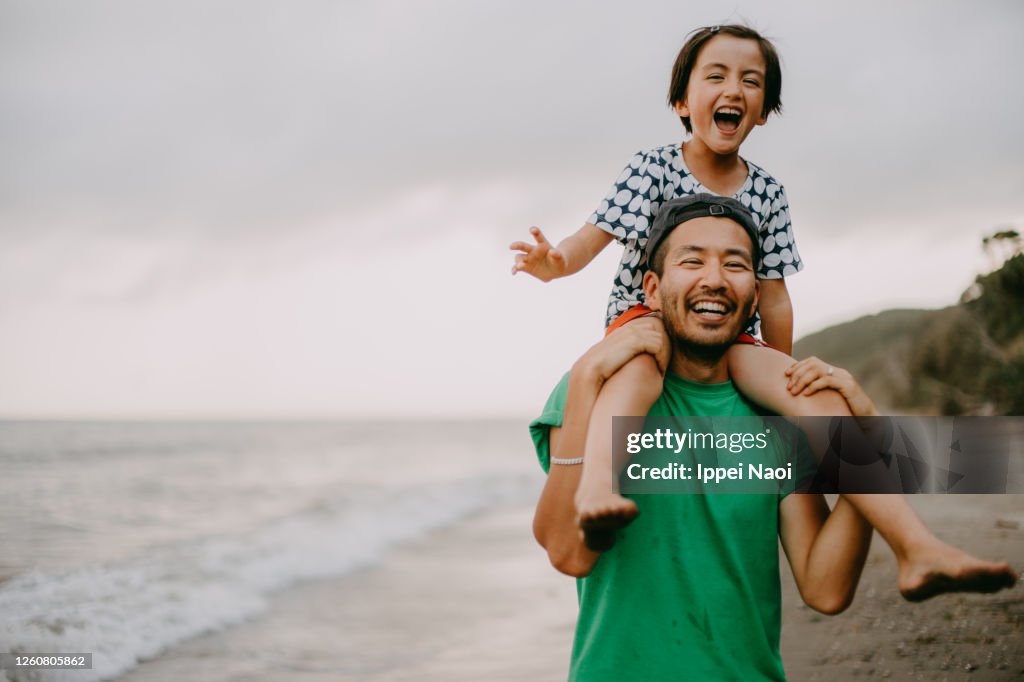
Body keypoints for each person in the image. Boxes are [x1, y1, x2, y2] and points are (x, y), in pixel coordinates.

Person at [512, 24, 1015, 602]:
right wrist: (556, 263)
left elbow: (772, 296)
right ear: (682, 101)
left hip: (736, 336)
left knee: (818, 397)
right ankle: (597, 484)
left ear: (763, 112)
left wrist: (785, 375)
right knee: (635, 372)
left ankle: (916, 546)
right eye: (716, 76)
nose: (734, 88)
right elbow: (591, 236)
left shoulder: (768, 192)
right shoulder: (650, 166)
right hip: (643, 322)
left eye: (750, 81)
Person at [529, 199, 1017, 680]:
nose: (715, 279)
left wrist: (869, 441)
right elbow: (568, 554)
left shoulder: (778, 418)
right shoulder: (591, 391)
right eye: (692, 260)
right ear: (652, 290)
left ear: (754, 297)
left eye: (735, 265)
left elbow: (825, 588)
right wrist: (587, 375)